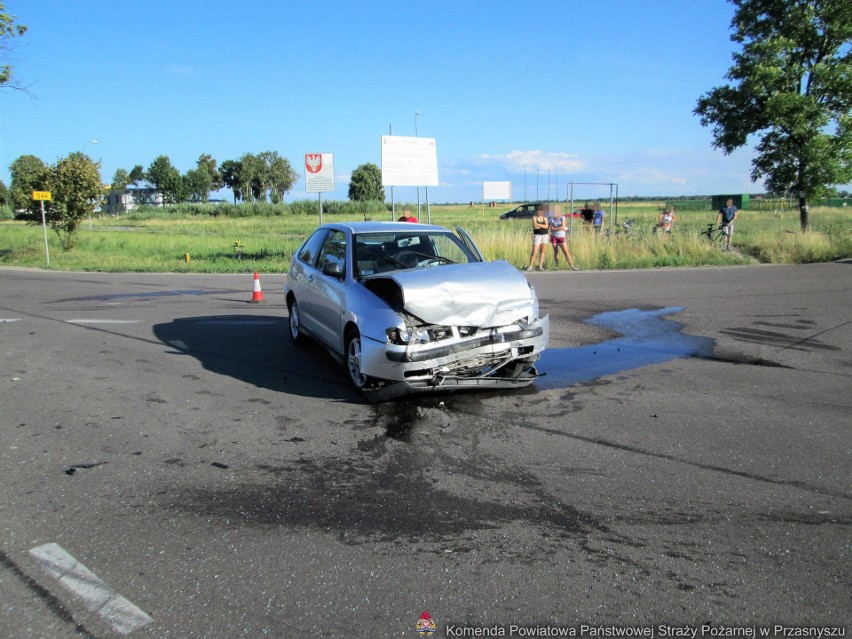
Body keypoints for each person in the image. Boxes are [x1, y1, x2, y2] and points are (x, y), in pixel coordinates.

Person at [526, 204, 550, 270]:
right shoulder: (534, 217)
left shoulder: (545, 218)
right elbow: (535, 226)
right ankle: (530, 266)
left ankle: (540, 266)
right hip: (537, 236)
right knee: (534, 252)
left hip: (544, 235)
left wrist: (539, 225)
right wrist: (542, 225)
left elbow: (546, 227)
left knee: (542, 252)